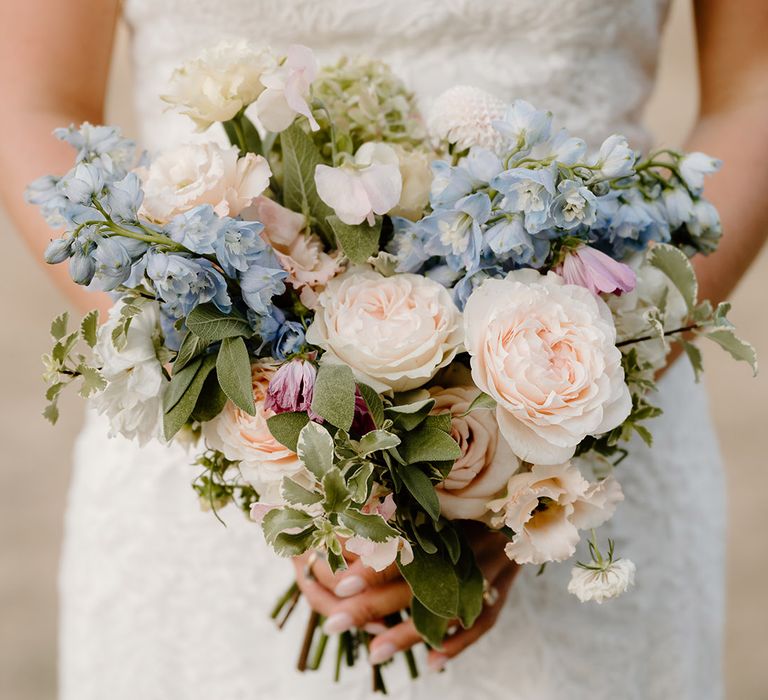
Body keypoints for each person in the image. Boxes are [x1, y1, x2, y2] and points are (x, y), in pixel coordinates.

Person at [1, 1, 766, 698]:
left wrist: (530, 467)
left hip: (587, 427)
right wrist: (241, 396)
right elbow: (33, 98)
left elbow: (753, 88)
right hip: (211, 454)